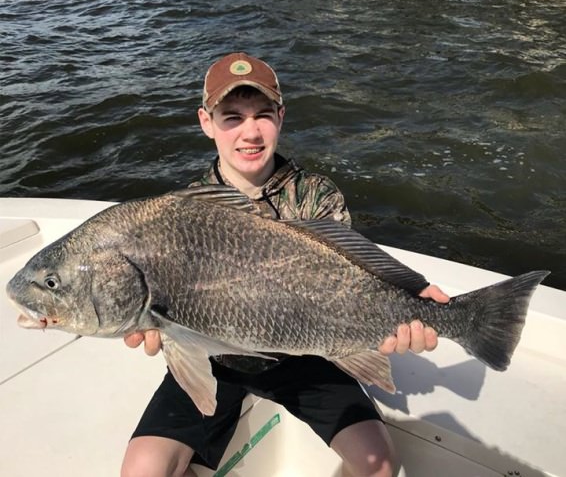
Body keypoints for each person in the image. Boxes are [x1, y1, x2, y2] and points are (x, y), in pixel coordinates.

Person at [121, 52, 450, 477]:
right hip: (216, 360)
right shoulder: (182, 212)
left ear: (281, 116)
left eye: (262, 114)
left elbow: (354, 281)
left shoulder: (316, 197)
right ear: (206, 122)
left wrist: (412, 298)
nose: (250, 131)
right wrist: (151, 324)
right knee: (142, 470)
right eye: (232, 117)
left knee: (380, 464)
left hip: (306, 354)